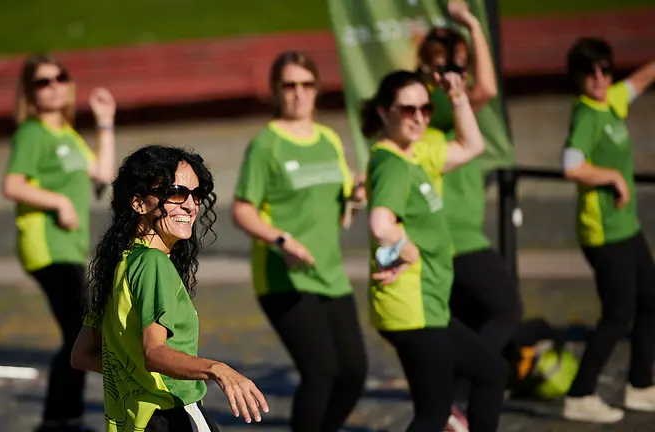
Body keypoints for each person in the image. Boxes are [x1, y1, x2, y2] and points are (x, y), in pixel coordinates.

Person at [71, 145, 269, 431]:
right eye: (176, 193)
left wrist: (133, 375)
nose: (190, 205)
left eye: (196, 194)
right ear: (139, 203)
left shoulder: (121, 263)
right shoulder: (153, 264)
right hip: (172, 416)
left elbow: (82, 354)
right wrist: (216, 369)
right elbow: (154, 352)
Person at [363, 69, 508, 432]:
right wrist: (406, 248)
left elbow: (472, 146)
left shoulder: (415, 154)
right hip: (411, 308)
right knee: (432, 414)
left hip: (429, 304)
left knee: (491, 370)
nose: (419, 117)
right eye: (407, 109)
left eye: (425, 109)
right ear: (384, 112)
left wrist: (459, 99)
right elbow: (381, 224)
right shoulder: (392, 163)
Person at [232, 51, 368, 432]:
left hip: (329, 271)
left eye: (306, 85)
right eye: (289, 85)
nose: (298, 93)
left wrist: (356, 196)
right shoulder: (266, 145)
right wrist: (280, 239)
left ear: (317, 90)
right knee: (321, 370)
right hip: (282, 274)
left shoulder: (329, 139)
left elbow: (345, 199)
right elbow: (242, 209)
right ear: (277, 91)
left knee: (354, 371)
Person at [2, 53, 117, 432]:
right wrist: (59, 201)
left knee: (83, 330)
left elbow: (102, 172)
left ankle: (65, 417)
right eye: (42, 82)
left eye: (59, 78)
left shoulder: (65, 134)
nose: (53, 86)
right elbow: (13, 185)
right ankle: (59, 419)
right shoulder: (32, 133)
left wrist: (104, 123)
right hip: (45, 246)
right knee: (80, 331)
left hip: (67, 247)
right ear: (30, 94)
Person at [417, 0, 522, 359]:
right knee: (506, 312)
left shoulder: (443, 104)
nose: (457, 72)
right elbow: (488, 91)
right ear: (427, 69)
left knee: (468, 322)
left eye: (461, 63)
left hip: (453, 237)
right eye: (446, 64)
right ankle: (469, 372)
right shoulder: (435, 104)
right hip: (459, 239)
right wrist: (473, 25)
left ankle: (457, 399)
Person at [561, 37, 655, 423]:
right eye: (590, 72)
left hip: (626, 226)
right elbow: (570, 164)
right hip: (603, 232)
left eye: (605, 69)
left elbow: (644, 78)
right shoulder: (586, 114)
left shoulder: (610, 101)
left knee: (650, 301)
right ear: (578, 78)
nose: (599, 78)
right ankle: (580, 394)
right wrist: (612, 176)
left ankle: (640, 385)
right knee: (618, 315)